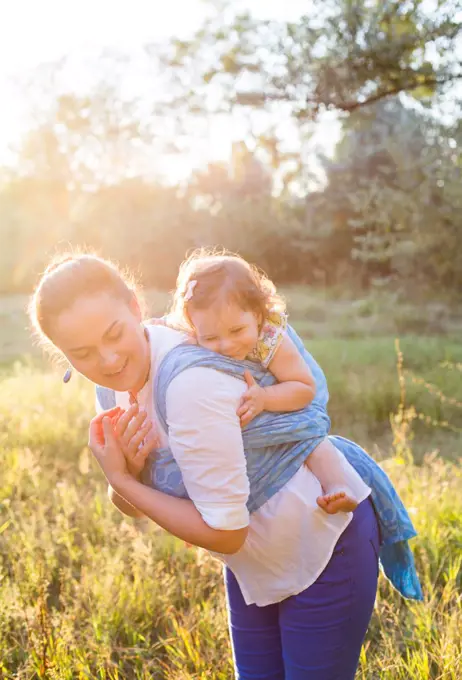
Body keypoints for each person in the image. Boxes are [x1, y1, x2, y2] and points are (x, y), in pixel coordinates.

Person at [29, 251, 422, 680]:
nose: (107, 361)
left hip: (322, 541)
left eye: (114, 334)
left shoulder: (188, 385)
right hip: (255, 564)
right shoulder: (112, 391)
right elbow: (139, 504)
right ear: (63, 354)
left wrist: (122, 478)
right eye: (83, 354)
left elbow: (226, 533)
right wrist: (128, 477)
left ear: (136, 306)